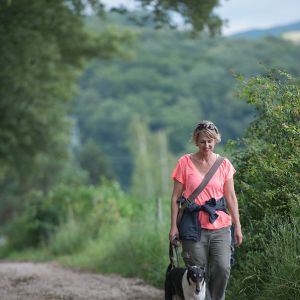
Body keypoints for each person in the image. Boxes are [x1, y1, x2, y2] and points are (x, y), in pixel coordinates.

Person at [169, 120, 243, 300]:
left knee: (222, 268)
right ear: (196, 141)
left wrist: (238, 226)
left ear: (216, 140)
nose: (206, 145)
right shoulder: (184, 163)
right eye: (202, 141)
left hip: (220, 226)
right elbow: (174, 198)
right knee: (196, 273)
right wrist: (173, 227)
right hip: (192, 227)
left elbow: (231, 197)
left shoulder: (224, 165)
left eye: (210, 141)